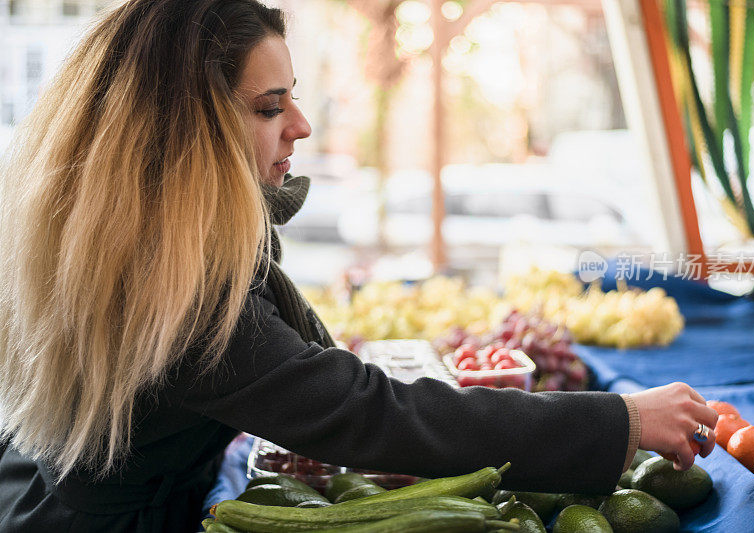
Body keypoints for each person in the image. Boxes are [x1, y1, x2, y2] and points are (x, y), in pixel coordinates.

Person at [0, 1, 717, 532]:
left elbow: (325, 381)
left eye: (294, 99)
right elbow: (366, 412)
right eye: (269, 106)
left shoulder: (154, 240)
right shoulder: (176, 295)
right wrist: (620, 421)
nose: (302, 125)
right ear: (192, 133)